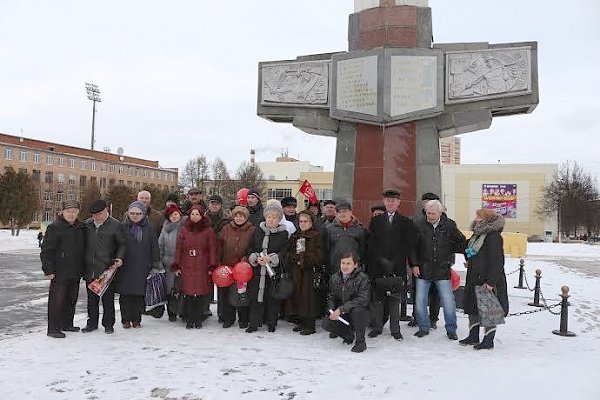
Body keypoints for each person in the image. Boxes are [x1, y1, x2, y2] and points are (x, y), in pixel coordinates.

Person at [366, 189, 418, 340]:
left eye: (393, 201)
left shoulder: (406, 222)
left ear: (398, 203)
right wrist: (381, 260)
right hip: (378, 266)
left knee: (395, 300)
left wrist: (394, 261)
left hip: (397, 266)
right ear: (384, 202)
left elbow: (408, 245)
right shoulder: (376, 221)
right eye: (387, 200)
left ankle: (395, 329)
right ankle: (377, 327)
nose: (390, 203)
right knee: (378, 300)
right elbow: (371, 243)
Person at [413, 200, 466, 340]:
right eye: (428, 213)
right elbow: (412, 247)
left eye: (432, 213)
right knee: (420, 301)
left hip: (442, 269)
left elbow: (460, 241)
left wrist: (467, 255)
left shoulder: (449, 225)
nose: (429, 216)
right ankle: (423, 327)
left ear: (440, 213)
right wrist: (414, 264)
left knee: (448, 302)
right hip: (423, 269)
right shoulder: (419, 224)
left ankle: (451, 329)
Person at [460, 209, 509, 350]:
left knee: (489, 311)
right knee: (472, 308)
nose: (476, 219)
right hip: (474, 277)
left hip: (486, 280)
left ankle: (488, 340)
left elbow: (497, 261)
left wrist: (491, 282)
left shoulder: (493, 236)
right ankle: (473, 336)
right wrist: (470, 260)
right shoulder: (477, 235)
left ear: (487, 219)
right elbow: (470, 249)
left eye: (479, 217)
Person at [41, 200, 86, 338]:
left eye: (74, 211)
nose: (71, 214)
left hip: (75, 271)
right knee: (57, 301)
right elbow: (46, 251)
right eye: (68, 211)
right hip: (59, 272)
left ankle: (67, 324)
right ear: (63, 212)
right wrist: (48, 270)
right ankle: (53, 329)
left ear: (78, 212)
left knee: (71, 299)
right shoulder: (55, 227)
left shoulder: (81, 227)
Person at [82, 199, 127, 334]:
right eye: (94, 215)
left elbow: (122, 244)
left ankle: (108, 324)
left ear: (106, 210)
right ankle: (92, 324)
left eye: (99, 214)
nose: (96, 217)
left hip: (107, 269)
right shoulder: (87, 224)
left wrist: (119, 258)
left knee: (108, 300)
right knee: (91, 300)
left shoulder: (115, 225)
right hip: (90, 269)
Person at [246, 199, 290, 333]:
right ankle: (254, 322)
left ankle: (272, 323)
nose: (271, 220)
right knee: (256, 297)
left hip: (273, 272)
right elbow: (250, 247)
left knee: (272, 298)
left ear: (279, 219)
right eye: (269, 217)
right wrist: (255, 258)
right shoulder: (257, 231)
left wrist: (272, 258)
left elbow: (284, 252)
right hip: (258, 270)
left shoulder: (283, 234)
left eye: (274, 217)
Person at [172, 205, 218, 329]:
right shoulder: (184, 230)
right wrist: (177, 265)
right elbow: (179, 249)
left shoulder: (208, 231)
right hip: (187, 264)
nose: (195, 216)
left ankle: (198, 319)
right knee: (189, 293)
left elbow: (212, 249)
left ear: (202, 215)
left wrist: (212, 266)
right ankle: (189, 319)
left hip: (202, 264)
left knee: (200, 293)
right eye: (192, 214)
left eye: (197, 214)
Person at [118, 201, 161, 329]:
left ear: (143, 214)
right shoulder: (122, 227)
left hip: (143, 265)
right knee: (125, 294)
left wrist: (155, 263)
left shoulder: (149, 227)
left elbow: (154, 246)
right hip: (126, 266)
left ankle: (136, 319)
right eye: (132, 213)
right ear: (128, 213)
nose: (135, 216)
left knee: (139, 294)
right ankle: (125, 319)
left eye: (138, 213)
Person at [321, 251, 371, 353]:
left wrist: (341, 309)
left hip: (360, 312)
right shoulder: (335, 277)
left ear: (355, 265)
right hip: (343, 312)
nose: (345, 266)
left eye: (348, 263)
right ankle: (348, 335)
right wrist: (331, 310)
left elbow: (363, 299)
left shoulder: (363, 278)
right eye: (343, 263)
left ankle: (361, 342)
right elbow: (331, 296)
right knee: (326, 323)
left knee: (358, 311)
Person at [286, 210, 323, 335]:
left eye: (305, 221)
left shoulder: (316, 236)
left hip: (309, 272)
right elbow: (289, 252)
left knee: (308, 297)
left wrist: (304, 259)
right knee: (297, 295)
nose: (303, 223)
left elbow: (319, 255)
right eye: (300, 221)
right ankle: (300, 320)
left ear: (311, 222)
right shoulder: (295, 236)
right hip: (296, 271)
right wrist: (294, 258)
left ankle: (310, 324)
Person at [218, 206, 256, 328]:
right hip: (227, 266)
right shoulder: (226, 229)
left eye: (242, 216)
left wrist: (246, 258)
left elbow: (254, 247)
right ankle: (228, 318)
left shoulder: (252, 230)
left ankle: (243, 319)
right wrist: (219, 263)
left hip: (243, 269)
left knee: (242, 293)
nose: (239, 218)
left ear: (246, 217)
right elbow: (219, 246)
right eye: (236, 216)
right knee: (227, 293)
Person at [409, 192, 442, 328]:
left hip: (439, 265)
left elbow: (451, 242)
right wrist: (414, 264)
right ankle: (417, 317)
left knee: (435, 294)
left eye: (433, 201)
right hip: (421, 264)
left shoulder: (444, 221)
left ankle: (433, 318)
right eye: (427, 201)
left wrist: (449, 263)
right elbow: (412, 245)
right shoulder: (417, 221)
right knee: (418, 293)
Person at [158, 204, 187, 322]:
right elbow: (160, 246)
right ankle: (171, 312)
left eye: (175, 214)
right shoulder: (165, 229)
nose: (174, 217)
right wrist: (159, 261)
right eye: (171, 215)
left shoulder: (185, 226)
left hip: (183, 262)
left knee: (182, 288)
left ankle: (182, 311)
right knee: (170, 289)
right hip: (168, 262)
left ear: (179, 215)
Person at [323, 201, 367, 275]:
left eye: (344, 211)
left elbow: (363, 249)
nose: (342, 214)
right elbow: (326, 249)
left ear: (350, 212)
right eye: (339, 212)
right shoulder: (329, 229)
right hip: (335, 268)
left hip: (354, 268)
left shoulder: (360, 229)